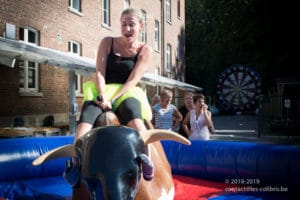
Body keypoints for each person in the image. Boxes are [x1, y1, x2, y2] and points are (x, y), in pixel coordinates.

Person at [75, 8, 153, 142]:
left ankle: (147, 161)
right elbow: (99, 72)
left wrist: (113, 100)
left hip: (127, 93)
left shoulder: (145, 50)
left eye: (132, 24)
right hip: (102, 92)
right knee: (82, 128)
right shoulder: (107, 42)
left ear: (141, 26)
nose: (127, 28)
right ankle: (75, 160)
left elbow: (133, 80)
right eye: (124, 24)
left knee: (138, 125)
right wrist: (103, 95)